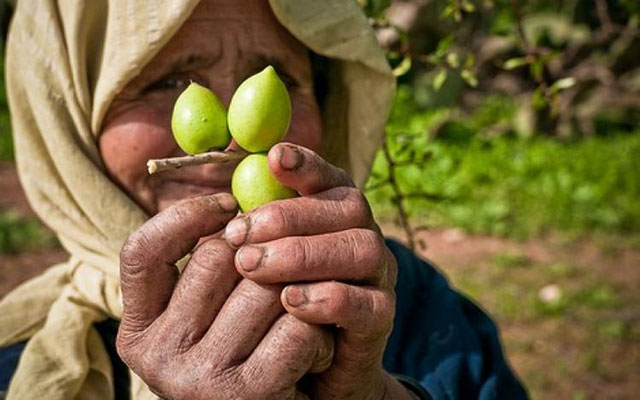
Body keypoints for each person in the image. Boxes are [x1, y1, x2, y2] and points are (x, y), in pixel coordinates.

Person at [0, 0, 528, 399]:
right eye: (165, 81)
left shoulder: (401, 303)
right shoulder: (14, 358)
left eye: (281, 77)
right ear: (68, 119)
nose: (233, 119)